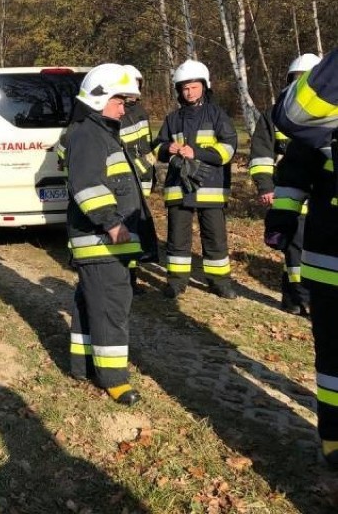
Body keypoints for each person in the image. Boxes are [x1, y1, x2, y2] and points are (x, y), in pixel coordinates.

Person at [63, 64, 156, 406]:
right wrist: (113, 223)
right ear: (101, 96)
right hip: (102, 242)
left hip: (100, 243)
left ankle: (83, 365)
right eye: (120, 99)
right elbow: (86, 187)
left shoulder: (101, 133)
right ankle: (114, 379)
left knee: (91, 305)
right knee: (111, 309)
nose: (125, 106)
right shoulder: (90, 135)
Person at [265, 47, 338, 467]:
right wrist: (282, 215)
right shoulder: (318, 122)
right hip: (329, 256)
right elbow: (294, 170)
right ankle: (333, 440)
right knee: (332, 366)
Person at [155, 60, 238, 300]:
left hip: (210, 187)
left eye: (193, 87)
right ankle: (176, 282)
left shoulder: (217, 115)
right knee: (177, 239)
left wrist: (197, 153)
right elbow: (156, 149)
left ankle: (220, 282)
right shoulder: (173, 118)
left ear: (204, 86)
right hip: (178, 188)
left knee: (214, 238)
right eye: (184, 88)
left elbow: (229, 148)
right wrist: (166, 148)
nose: (189, 92)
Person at [249, 54, 321, 315]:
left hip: (320, 197)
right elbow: (261, 154)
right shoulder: (275, 114)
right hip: (287, 193)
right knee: (295, 247)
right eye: (296, 79)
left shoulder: (328, 113)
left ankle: (292, 299)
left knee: (307, 248)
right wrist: (265, 187)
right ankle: (303, 299)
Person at [120, 65, 156, 294]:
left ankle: (131, 278)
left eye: (138, 84)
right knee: (126, 229)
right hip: (124, 181)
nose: (135, 89)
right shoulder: (116, 112)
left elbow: (147, 145)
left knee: (135, 230)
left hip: (141, 180)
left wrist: (148, 171)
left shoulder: (141, 112)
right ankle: (127, 280)